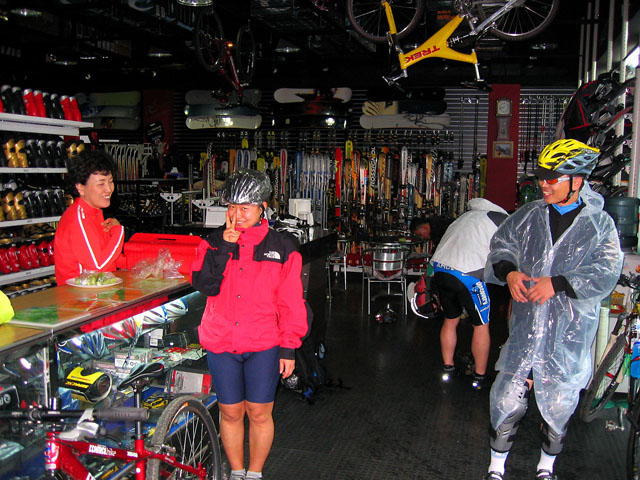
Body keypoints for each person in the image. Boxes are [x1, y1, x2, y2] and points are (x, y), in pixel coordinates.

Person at [483, 139, 623, 480]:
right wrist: (509, 272)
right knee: (506, 400)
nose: (543, 185)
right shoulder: (529, 215)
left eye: (552, 178)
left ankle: (546, 468)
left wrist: (558, 283)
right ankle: (496, 467)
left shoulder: (599, 224)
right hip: (525, 330)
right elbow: (501, 245)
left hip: (567, 337)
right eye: (541, 178)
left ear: (577, 181)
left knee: (559, 405)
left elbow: (607, 271)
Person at [190, 169, 309, 480]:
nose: (236, 215)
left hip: (264, 342)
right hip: (221, 340)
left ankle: (254, 474)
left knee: (259, 413)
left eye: (245, 208)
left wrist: (288, 347)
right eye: (231, 207)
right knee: (230, 412)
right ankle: (236, 471)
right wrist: (225, 248)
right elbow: (204, 285)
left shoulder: (283, 247)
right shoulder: (212, 243)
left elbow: (291, 301)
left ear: (262, 208)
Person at [426, 198, 508, 389]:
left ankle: (448, 368)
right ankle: (479, 377)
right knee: (481, 325)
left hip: (440, 270)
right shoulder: (500, 220)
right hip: (467, 274)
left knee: (450, 319)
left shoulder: (463, 218)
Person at [54, 149, 124, 285]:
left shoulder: (95, 213)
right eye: (101, 184)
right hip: (79, 295)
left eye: (110, 182)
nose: (109, 189)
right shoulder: (77, 219)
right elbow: (97, 267)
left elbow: (112, 259)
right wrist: (118, 232)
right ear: (80, 188)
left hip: (97, 290)